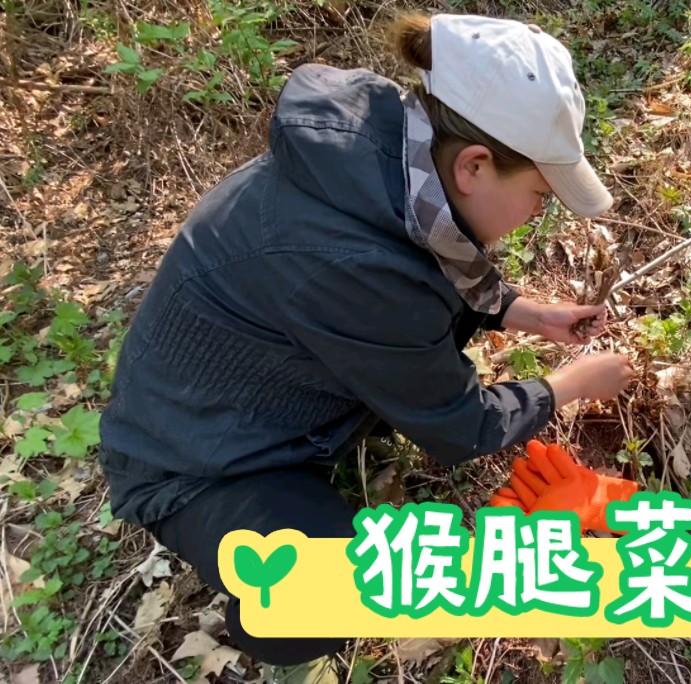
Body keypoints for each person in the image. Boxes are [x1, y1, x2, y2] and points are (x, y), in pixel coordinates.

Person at [96, 10, 634, 682]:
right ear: (473, 165)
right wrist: (570, 385)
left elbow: (439, 266)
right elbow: (459, 426)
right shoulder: (350, 264)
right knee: (318, 594)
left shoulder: (381, 156)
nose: (536, 215)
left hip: (249, 402)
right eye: (537, 195)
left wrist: (532, 316)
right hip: (191, 462)